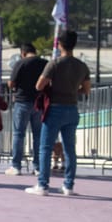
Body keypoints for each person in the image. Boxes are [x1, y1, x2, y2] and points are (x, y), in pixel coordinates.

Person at [26, 30, 92, 196]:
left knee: (45, 147)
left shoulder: (54, 64)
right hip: (72, 109)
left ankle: (43, 185)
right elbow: (86, 90)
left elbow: (39, 86)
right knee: (70, 149)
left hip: (54, 108)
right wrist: (72, 90)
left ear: (59, 44)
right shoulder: (82, 66)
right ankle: (68, 186)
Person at [6, 43, 44, 175]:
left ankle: (16, 166)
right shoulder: (44, 63)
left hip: (22, 102)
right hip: (39, 103)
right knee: (38, 135)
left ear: (22, 53)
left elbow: (11, 83)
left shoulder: (20, 63)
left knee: (19, 134)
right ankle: (38, 167)